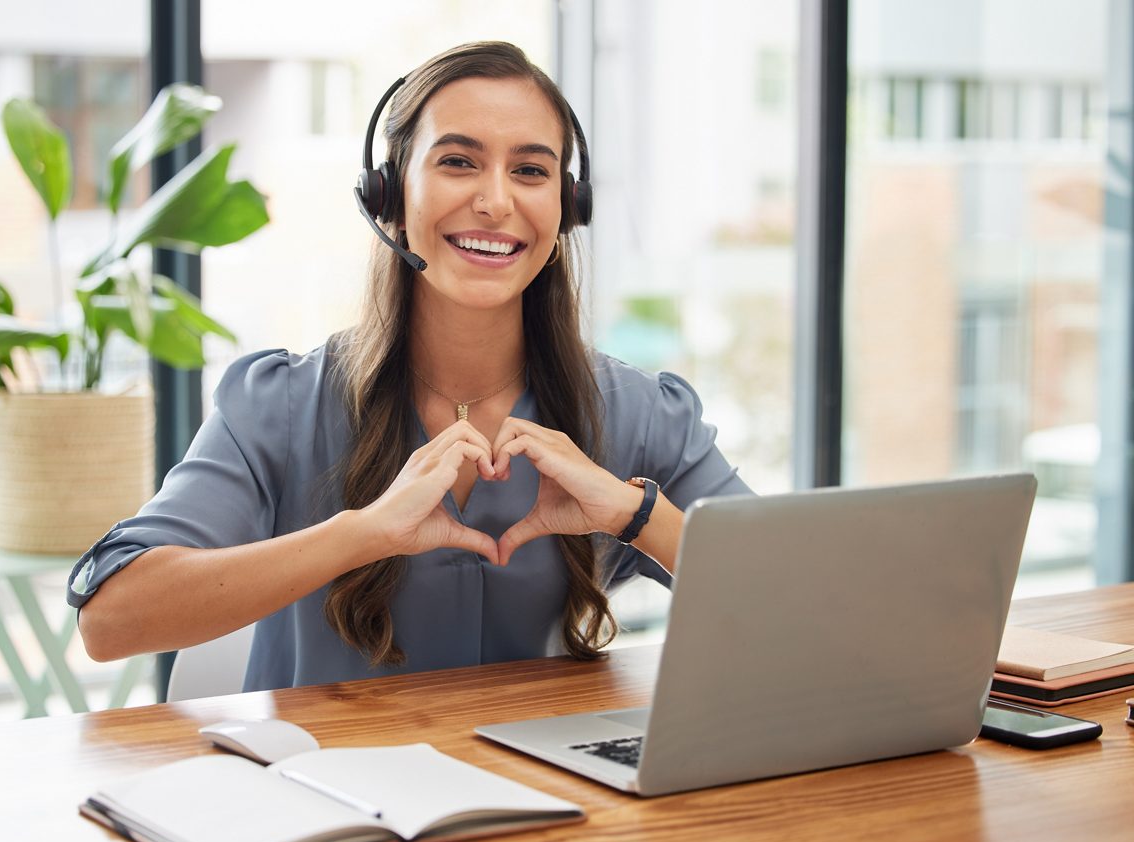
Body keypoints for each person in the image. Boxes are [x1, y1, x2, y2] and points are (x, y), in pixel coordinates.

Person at [69, 41, 750, 691]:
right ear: (388, 195)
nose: (496, 201)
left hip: (550, 796)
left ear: (567, 209)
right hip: (318, 793)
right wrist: (362, 533)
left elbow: (809, 604)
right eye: (458, 162)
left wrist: (634, 514)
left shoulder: (636, 411)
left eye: (531, 170)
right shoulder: (279, 405)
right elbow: (110, 618)